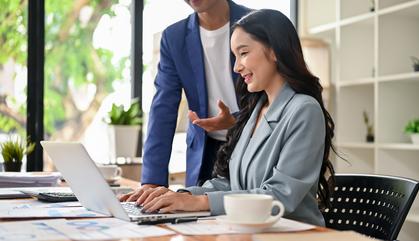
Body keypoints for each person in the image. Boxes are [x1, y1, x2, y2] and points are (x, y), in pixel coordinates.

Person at [120, 9, 337, 226]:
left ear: (274, 51)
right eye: (234, 56)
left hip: (294, 234)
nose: (236, 67)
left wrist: (200, 203)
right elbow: (231, 183)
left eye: (243, 53)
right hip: (250, 230)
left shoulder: (304, 111)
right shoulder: (256, 110)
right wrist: (182, 195)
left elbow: (281, 195)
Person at [120, 0, 251, 203]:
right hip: (205, 152)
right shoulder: (174, 37)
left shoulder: (257, 25)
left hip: (253, 144)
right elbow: (163, 109)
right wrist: (152, 182)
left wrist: (236, 121)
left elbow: (275, 95)